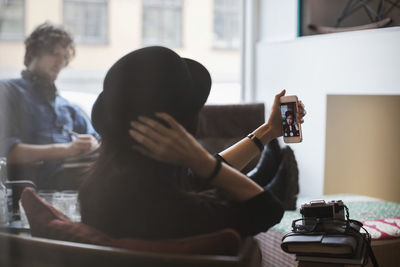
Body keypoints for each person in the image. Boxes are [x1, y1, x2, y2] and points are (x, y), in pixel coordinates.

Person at [79, 46, 306, 239]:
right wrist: (197, 158)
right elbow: (268, 209)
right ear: (178, 128)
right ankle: (260, 180)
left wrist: (267, 131)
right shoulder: (172, 209)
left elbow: (193, 179)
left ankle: (258, 176)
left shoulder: (100, 186)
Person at [0, 22, 99, 190]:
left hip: (69, 193)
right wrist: (68, 149)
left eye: (65, 56)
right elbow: (6, 152)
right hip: (25, 194)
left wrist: (91, 143)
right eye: (54, 53)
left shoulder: (68, 108)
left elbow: (100, 144)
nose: (61, 61)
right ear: (33, 53)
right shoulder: (8, 91)